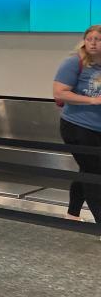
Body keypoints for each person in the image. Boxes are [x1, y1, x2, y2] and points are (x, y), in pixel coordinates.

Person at [53, 24, 101, 227]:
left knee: (87, 170)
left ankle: (72, 214)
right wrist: (92, 100)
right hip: (77, 127)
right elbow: (59, 93)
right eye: (89, 39)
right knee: (95, 174)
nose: (93, 43)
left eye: (98, 40)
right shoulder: (75, 62)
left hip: (97, 129)